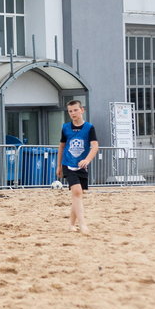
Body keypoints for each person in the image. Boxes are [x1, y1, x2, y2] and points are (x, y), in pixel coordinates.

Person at [56, 100, 99, 234]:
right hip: (68, 164)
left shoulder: (89, 127)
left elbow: (95, 146)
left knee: (78, 196)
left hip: (82, 165)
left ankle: (71, 225)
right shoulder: (66, 127)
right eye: (70, 111)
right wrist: (59, 166)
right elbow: (62, 147)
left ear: (82, 110)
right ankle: (82, 225)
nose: (73, 113)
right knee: (77, 192)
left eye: (75, 110)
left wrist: (87, 160)